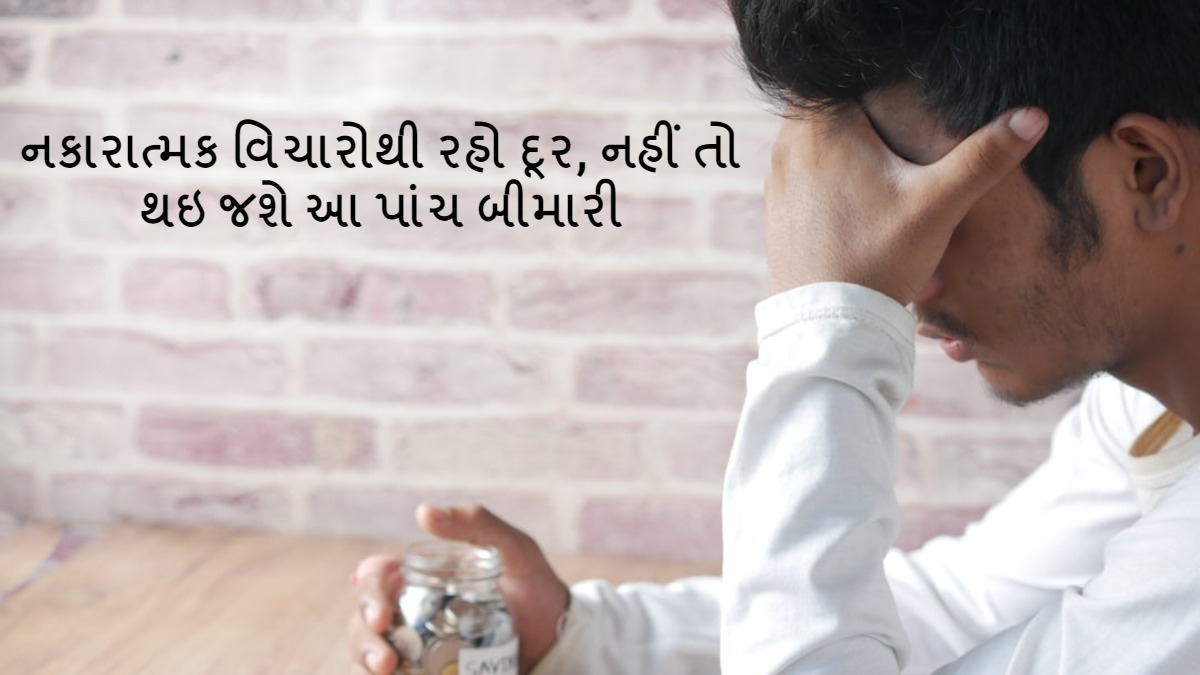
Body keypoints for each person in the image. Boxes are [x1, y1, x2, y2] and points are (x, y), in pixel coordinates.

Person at [349, 1, 1200, 673]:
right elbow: (966, 606)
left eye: (939, 212)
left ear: (1147, 173)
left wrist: (831, 314)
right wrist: (583, 634)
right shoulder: (1147, 412)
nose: (909, 284)